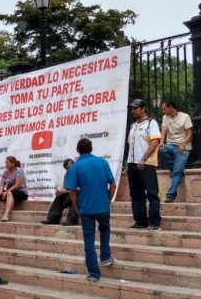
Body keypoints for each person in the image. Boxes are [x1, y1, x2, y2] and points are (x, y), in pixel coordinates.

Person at [65, 138, 117, 282]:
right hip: (103, 206)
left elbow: (71, 191)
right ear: (92, 149)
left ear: (77, 150)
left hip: (86, 209)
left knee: (89, 240)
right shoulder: (102, 162)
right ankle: (105, 256)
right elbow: (113, 184)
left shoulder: (75, 167)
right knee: (105, 229)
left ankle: (94, 274)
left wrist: (77, 208)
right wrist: (109, 200)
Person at [126, 99, 162, 231]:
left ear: (143, 108)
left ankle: (155, 222)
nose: (133, 111)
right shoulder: (133, 126)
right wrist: (128, 164)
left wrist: (143, 158)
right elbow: (130, 146)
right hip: (132, 163)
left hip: (146, 163)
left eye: (135, 108)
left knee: (152, 193)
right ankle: (140, 221)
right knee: (136, 194)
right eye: (132, 108)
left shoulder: (151, 123)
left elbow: (155, 142)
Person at [159, 100, 194, 203]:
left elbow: (189, 133)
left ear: (171, 107)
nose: (163, 111)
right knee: (161, 150)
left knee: (178, 172)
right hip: (170, 145)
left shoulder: (185, 117)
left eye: (164, 109)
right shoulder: (165, 117)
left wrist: (183, 144)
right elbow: (164, 131)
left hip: (182, 147)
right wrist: (161, 142)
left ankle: (171, 195)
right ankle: (173, 167)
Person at [0, 156, 29, 222]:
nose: (6, 165)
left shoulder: (19, 171)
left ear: (13, 163)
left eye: (7, 163)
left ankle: (6, 216)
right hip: (8, 192)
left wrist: (7, 192)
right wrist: (1, 191)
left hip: (21, 193)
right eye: (5, 163)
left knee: (9, 193)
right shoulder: (5, 172)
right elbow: (2, 184)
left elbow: (17, 185)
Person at [41, 158, 79, 226]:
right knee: (60, 196)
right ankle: (53, 219)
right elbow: (65, 188)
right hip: (70, 192)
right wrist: (60, 192)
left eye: (69, 168)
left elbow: (80, 188)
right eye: (66, 168)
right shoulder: (67, 174)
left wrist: (69, 190)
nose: (68, 170)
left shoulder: (80, 173)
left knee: (74, 197)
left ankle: (72, 220)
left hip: (80, 193)